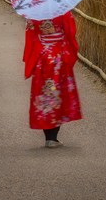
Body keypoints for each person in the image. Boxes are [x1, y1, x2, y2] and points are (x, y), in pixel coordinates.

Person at [23, 11, 82, 147]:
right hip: (59, 58)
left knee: (44, 95)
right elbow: (70, 32)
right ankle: (53, 138)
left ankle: (48, 137)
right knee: (58, 95)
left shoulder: (34, 13)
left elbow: (30, 35)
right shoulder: (63, 11)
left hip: (42, 58)